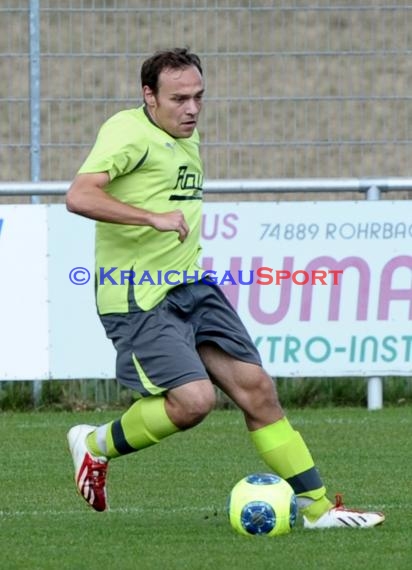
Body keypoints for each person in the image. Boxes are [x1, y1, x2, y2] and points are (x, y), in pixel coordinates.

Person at [66, 47, 384, 529]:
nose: (191, 109)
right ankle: (94, 444)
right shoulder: (128, 131)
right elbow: (80, 194)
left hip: (192, 286)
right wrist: (150, 217)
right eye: (178, 99)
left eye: (198, 97)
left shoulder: (184, 136)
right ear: (148, 96)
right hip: (139, 295)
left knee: (257, 391)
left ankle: (319, 510)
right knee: (194, 402)